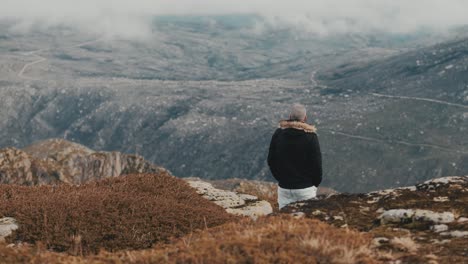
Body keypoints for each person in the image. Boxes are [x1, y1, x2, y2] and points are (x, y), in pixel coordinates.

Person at [267, 103, 322, 209]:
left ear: (290, 117)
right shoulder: (311, 137)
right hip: (306, 189)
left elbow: (271, 160)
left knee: (285, 221)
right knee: (306, 221)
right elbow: (317, 165)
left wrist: (281, 179)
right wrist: (314, 184)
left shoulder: (278, 134)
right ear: (305, 118)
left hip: (284, 188)